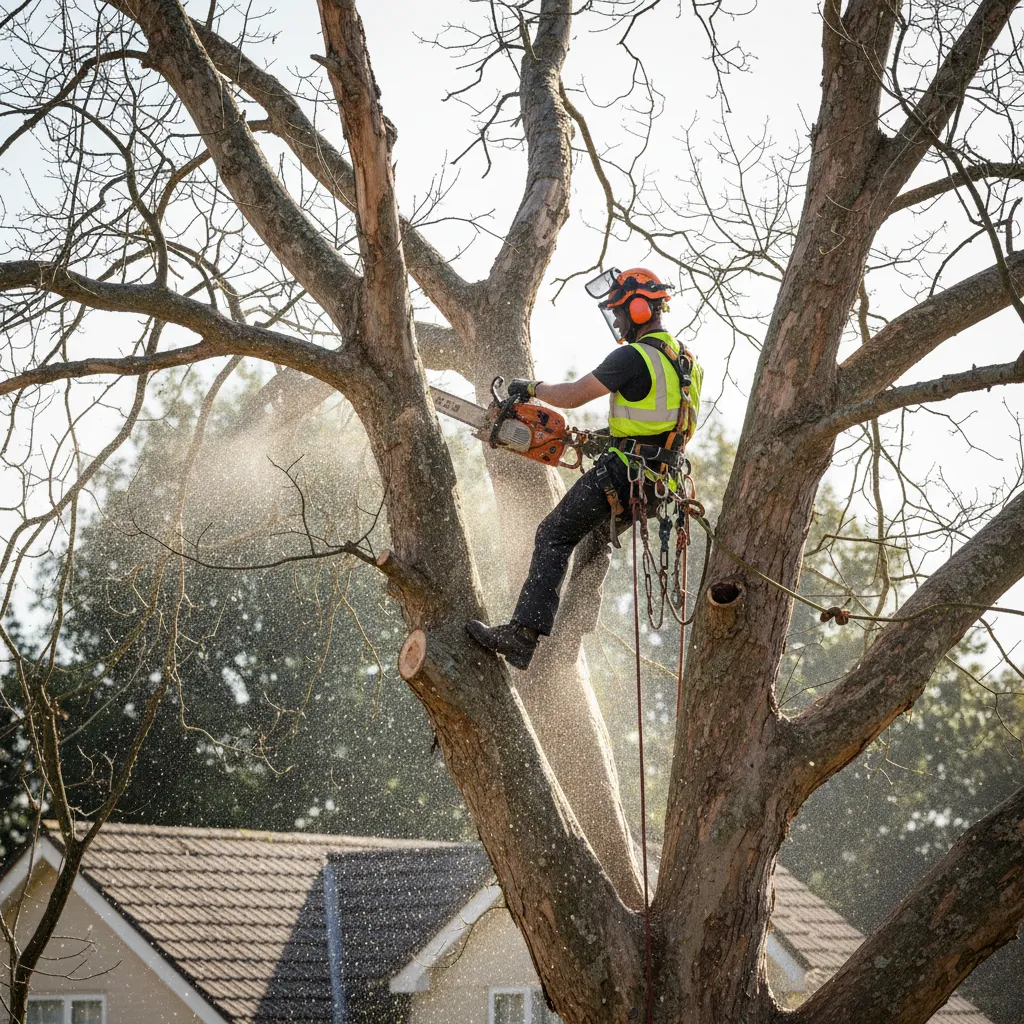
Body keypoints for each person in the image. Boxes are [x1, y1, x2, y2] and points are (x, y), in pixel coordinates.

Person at [467, 267, 702, 670]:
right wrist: (603, 438)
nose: (617, 322)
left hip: (624, 474)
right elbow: (665, 428)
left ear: (640, 308)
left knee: (553, 534)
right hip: (660, 485)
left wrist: (531, 389)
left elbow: (574, 395)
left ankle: (522, 636)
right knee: (595, 540)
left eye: (619, 312)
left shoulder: (634, 355)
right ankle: (571, 632)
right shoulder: (688, 362)